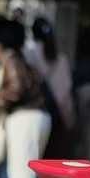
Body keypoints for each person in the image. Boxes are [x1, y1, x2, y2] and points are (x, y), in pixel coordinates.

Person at [0, 19, 50, 178]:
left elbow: (16, 89)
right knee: (25, 173)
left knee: (21, 175)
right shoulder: (23, 59)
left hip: (24, 118)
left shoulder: (12, 60)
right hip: (35, 117)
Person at [27, 16, 74, 156]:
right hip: (56, 116)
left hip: (34, 114)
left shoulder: (27, 54)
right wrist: (68, 119)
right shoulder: (61, 58)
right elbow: (65, 93)